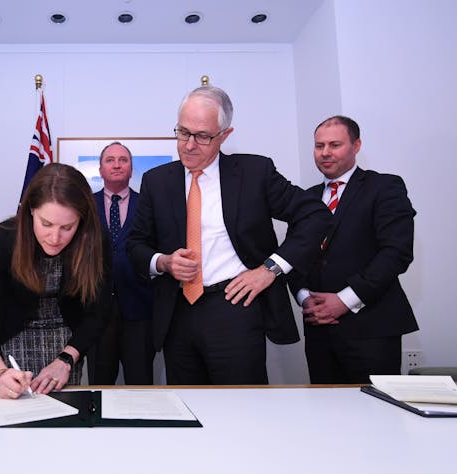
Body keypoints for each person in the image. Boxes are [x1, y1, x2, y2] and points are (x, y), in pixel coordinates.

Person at [127, 85, 332, 385]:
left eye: (202, 136)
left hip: (235, 308)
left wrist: (270, 269)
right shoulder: (157, 181)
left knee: (242, 409)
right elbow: (135, 245)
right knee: (187, 408)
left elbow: (316, 216)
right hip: (176, 314)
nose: (189, 145)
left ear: (225, 134)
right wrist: (164, 262)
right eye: (182, 132)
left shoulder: (254, 172)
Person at [288, 116, 418, 384]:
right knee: (327, 415)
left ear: (356, 146)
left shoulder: (384, 187)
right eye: (319, 145)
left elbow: (396, 253)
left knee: (377, 415)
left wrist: (344, 300)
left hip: (372, 328)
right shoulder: (306, 198)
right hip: (318, 329)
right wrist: (303, 297)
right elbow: (293, 254)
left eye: (335, 144)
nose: (325, 153)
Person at [0, 163, 110, 399]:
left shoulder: (95, 240)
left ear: (82, 220)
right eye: (46, 224)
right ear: (31, 210)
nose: (55, 238)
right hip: (12, 340)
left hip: (69, 344)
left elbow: (98, 313)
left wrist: (66, 360)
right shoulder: (2, 239)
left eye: (67, 227)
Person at [87, 142, 155, 385]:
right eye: (110, 160)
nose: (117, 164)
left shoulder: (149, 204)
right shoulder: (84, 206)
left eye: (123, 160)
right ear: (101, 169)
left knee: (141, 382)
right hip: (97, 309)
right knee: (99, 383)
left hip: (140, 309)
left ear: (131, 168)